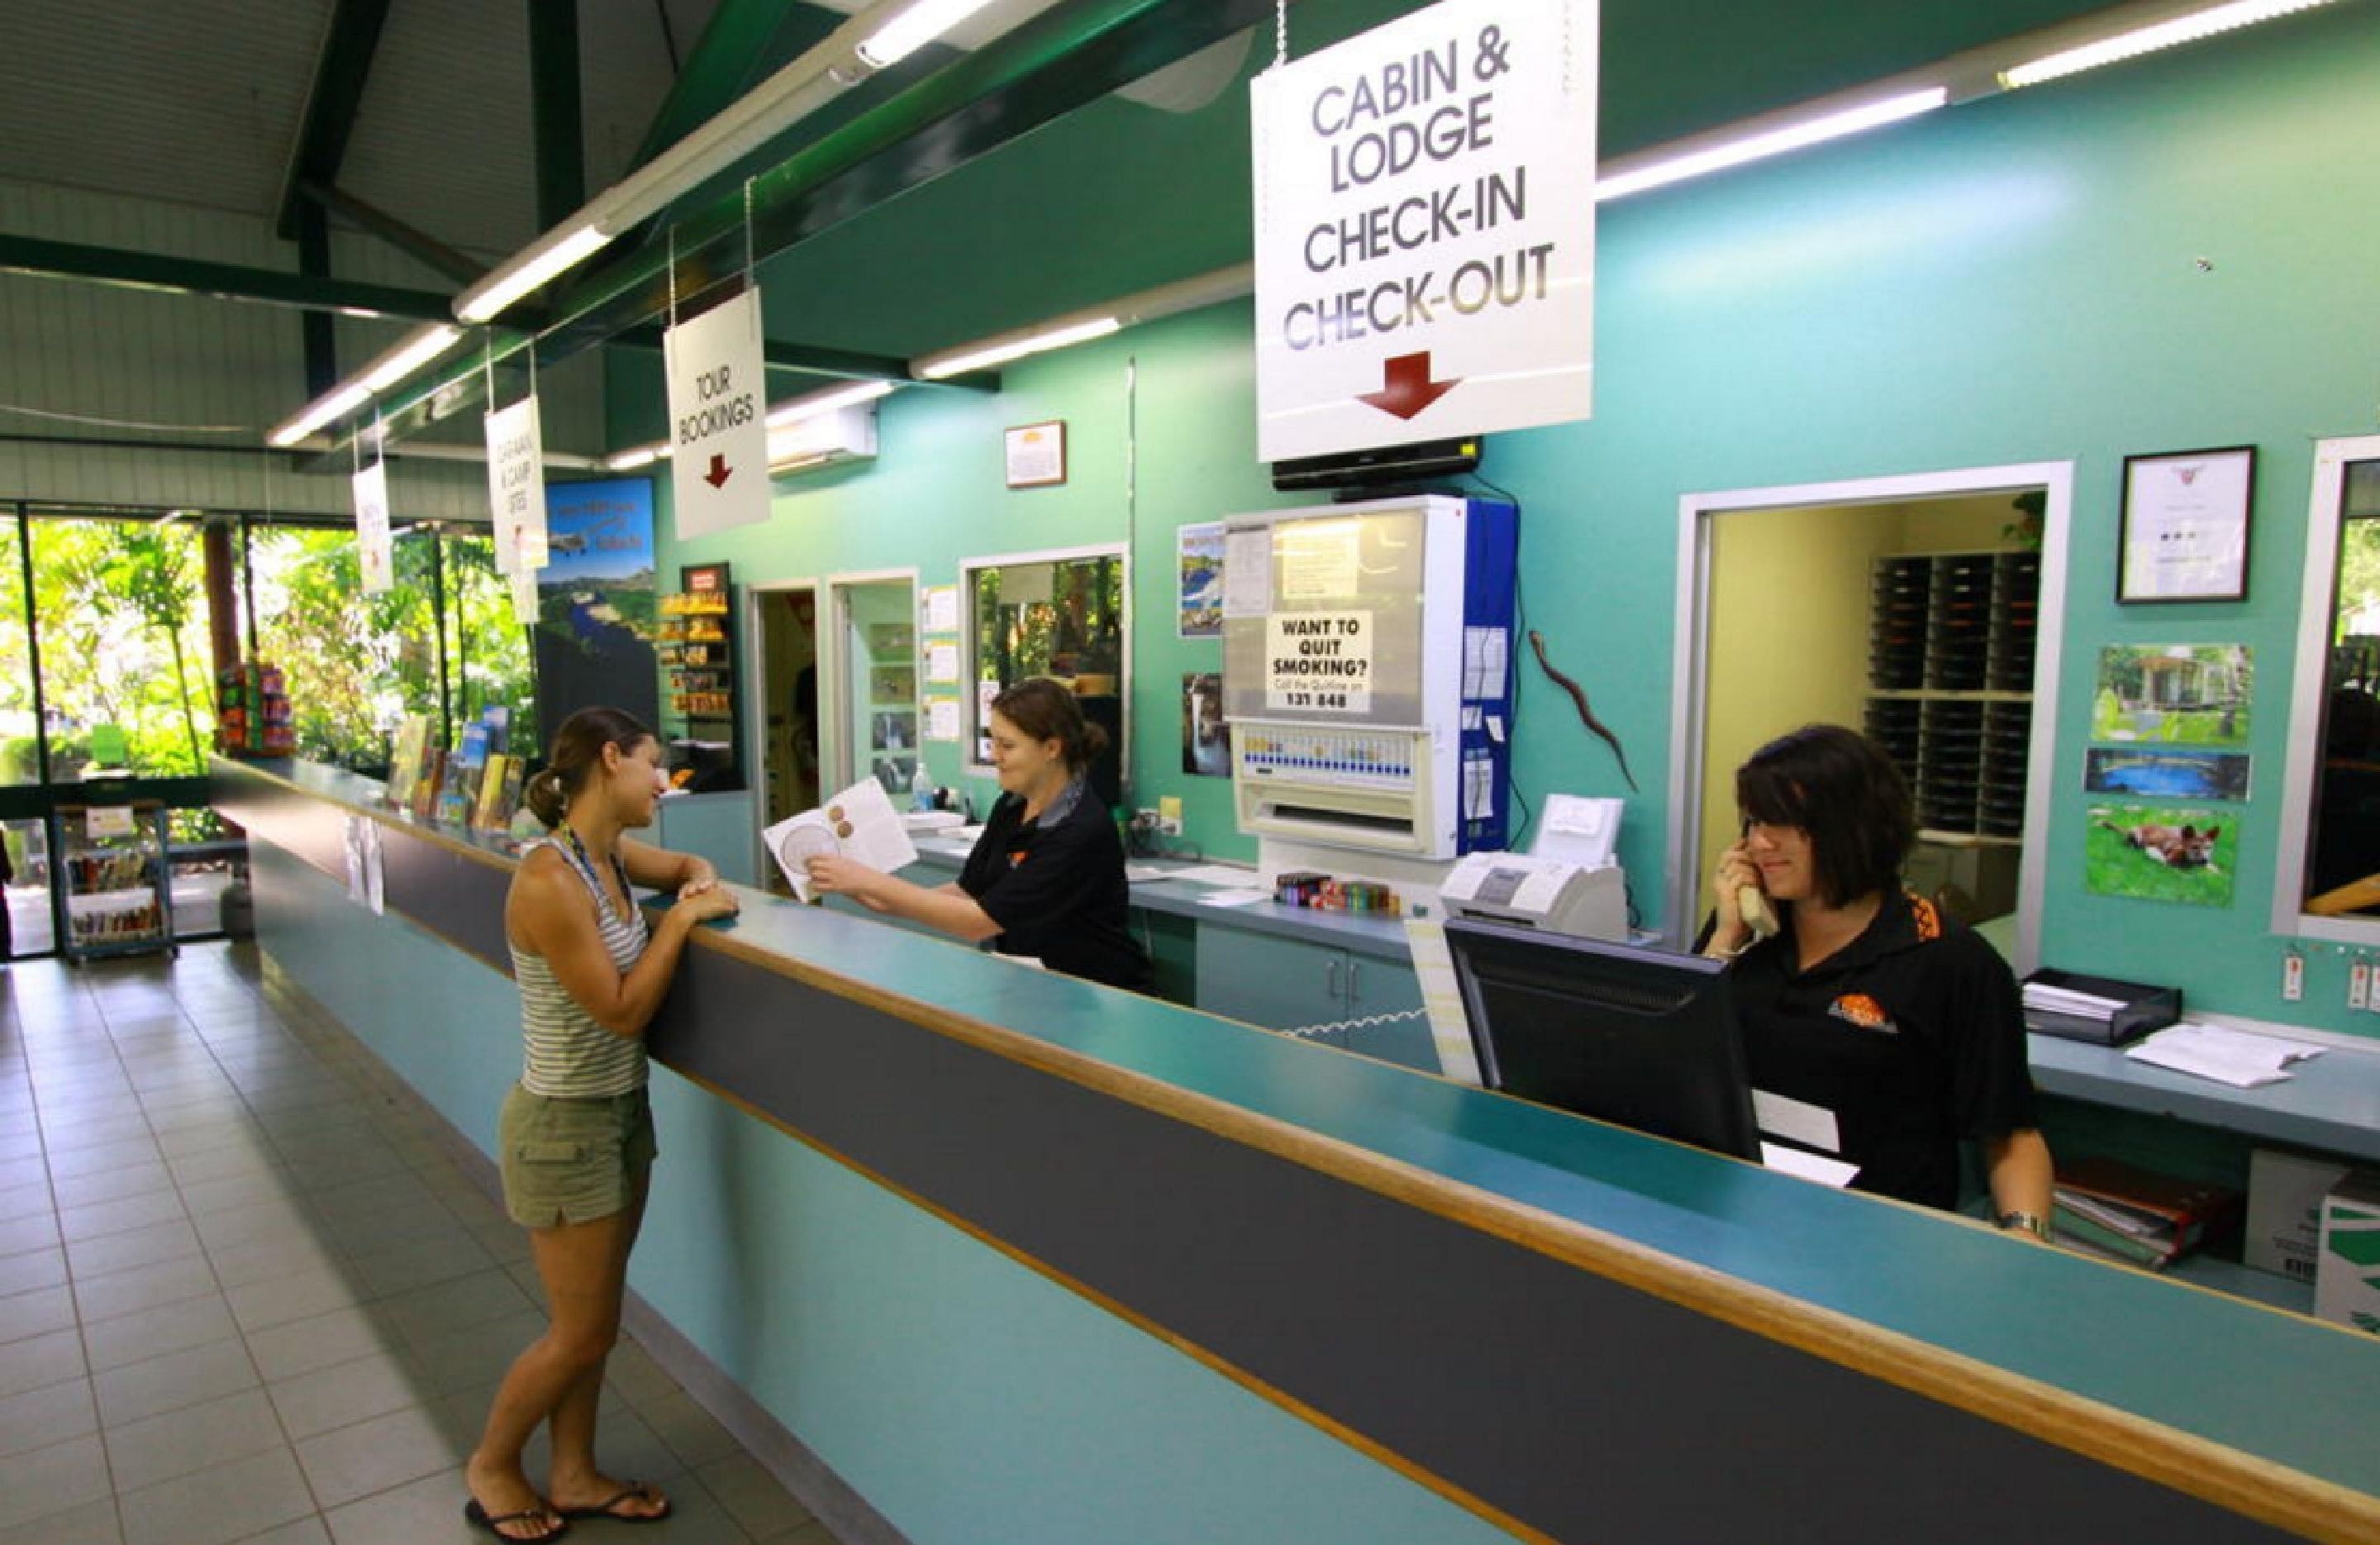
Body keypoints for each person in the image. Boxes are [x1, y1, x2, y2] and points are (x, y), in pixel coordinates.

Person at [465, 707, 739, 1541]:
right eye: (653, 765)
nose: (663, 781)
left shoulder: (606, 855)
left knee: (597, 1325)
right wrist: (684, 920)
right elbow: (621, 1012)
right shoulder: (549, 879)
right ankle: (493, 1464)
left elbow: (689, 861)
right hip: (562, 1128)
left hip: (618, 1114)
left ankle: (576, 1474)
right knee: (580, 1331)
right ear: (611, 760)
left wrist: (692, 878)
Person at [1703, 723, 2054, 1237]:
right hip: (1742, 1210)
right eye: (1754, 822)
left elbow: (2010, 1134)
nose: (1760, 843)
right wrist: (1724, 943)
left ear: (1853, 827)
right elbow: (1684, 1068)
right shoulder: (1742, 936)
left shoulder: (1951, 962)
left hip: (1879, 1232)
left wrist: (2022, 1238)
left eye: (1783, 823)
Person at [804, 677, 1152, 991]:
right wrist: (874, 894)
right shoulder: (1012, 806)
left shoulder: (1080, 829)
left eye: (1008, 746)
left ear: (1052, 748)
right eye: (992, 742)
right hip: (1034, 985)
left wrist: (872, 883)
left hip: (1096, 992)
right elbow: (968, 892)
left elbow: (979, 922)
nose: (995, 757)